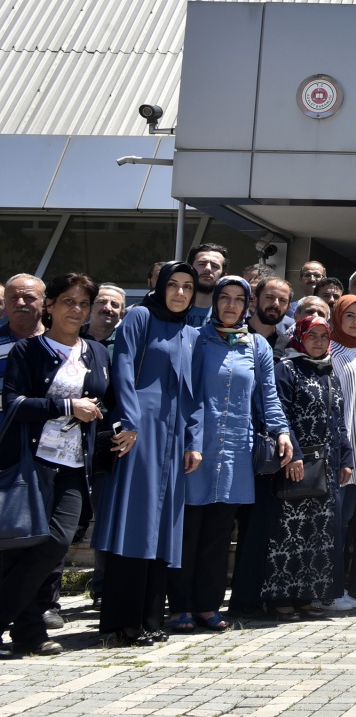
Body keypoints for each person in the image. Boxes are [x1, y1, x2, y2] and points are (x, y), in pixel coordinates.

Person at [172, 276, 292, 633]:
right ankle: (179, 605)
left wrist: (281, 431)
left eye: (239, 299)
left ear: (248, 305)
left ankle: (208, 606)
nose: (230, 305)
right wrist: (190, 441)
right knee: (188, 531)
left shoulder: (257, 345)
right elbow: (187, 394)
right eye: (224, 298)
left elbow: (268, 396)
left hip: (237, 452)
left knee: (220, 533)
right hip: (198, 449)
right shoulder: (196, 339)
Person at [0, 274, 111, 655]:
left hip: (73, 465)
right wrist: (66, 406)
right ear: (50, 305)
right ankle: (29, 635)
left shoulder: (96, 352)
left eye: (83, 303)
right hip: (30, 464)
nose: (76, 310)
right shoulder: (28, 351)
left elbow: (105, 400)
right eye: (68, 301)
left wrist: (120, 425)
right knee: (21, 547)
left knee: (55, 542)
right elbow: (14, 403)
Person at [93, 262, 199, 645]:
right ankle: (123, 622)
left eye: (188, 287)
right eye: (174, 285)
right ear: (160, 286)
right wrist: (130, 422)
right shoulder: (139, 316)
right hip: (138, 435)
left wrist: (193, 442)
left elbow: (193, 393)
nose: (180, 293)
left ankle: (152, 619)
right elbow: (122, 366)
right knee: (134, 524)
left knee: (161, 529)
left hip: (172, 439)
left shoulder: (191, 331)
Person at [266, 315, 354, 621]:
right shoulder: (286, 369)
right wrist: (294, 455)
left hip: (328, 467)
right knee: (290, 532)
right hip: (297, 463)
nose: (318, 341)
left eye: (323, 335)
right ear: (299, 337)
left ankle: (306, 596)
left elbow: (340, 421)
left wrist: (347, 459)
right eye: (312, 335)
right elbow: (281, 414)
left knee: (319, 534)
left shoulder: (330, 372)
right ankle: (281, 598)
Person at [323, 295, 356, 611]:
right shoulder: (329, 352)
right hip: (336, 454)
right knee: (333, 523)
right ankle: (326, 590)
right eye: (350, 316)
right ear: (337, 318)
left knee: (345, 523)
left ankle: (336, 586)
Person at [184, 242, 228, 327]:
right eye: (202, 264)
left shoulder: (229, 312)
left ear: (224, 275)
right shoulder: (171, 308)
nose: (207, 269)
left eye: (215, 266)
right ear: (190, 269)